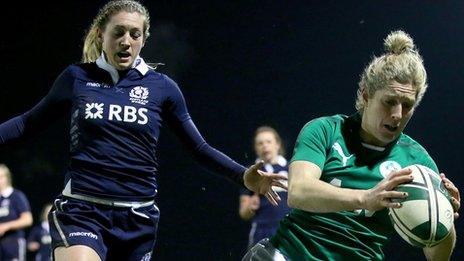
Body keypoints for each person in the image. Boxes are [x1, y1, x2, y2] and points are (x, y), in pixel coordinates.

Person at [0, 1, 286, 260]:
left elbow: (198, 148)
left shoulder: (163, 88)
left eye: (134, 34)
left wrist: (242, 175)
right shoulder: (76, 78)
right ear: (101, 34)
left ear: (144, 39)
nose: (126, 41)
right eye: (118, 32)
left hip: (137, 217)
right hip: (83, 210)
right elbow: (27, 123)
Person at [242, 30, 461, 260]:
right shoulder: (325, 130)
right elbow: (299, 191)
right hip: (288, 254)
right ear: (366, 96)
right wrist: (365, 198)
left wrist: (442, 221)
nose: (398, 114)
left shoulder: (418, 162)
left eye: (407, 105)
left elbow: (437, 256)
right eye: (389, 101)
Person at [239, 126, 290, 249]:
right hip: (262, 231)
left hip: (290, 229)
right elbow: (243, 213)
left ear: (277, 144)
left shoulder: (292, 168)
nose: (265, 146)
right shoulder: (250, 173)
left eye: (268, 142)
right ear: (256, 148)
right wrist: (250, 207)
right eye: (260, 143)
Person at [0, 164, 33, 261]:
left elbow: (28, 219)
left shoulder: (16, 195)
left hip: (13, 242)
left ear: (7, 178)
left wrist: (5, 226)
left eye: (1, 177)